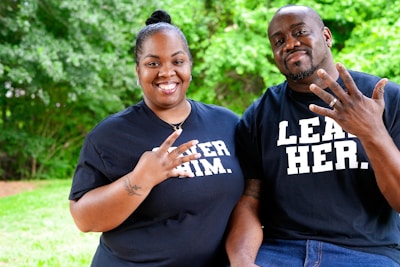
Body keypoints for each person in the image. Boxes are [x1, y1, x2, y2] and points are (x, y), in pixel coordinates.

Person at [225, 4, 400, 267]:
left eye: (300, 32)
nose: (290, 44)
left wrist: (372, 132)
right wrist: (242, 261)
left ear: (327, 37)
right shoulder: (259, 115)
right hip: (280, 251)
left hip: (366, 253)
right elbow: (251, 199)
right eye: (279, 40)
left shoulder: (382, 98)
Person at [68, 10, 244, 267]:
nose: (166, 72)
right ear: (138, 71)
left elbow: (248, 199)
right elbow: (83, 219)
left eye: (177, 61)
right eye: (153, 63)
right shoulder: (110, 135)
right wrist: (141, 179)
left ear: (190, 67)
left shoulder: (227, 123)